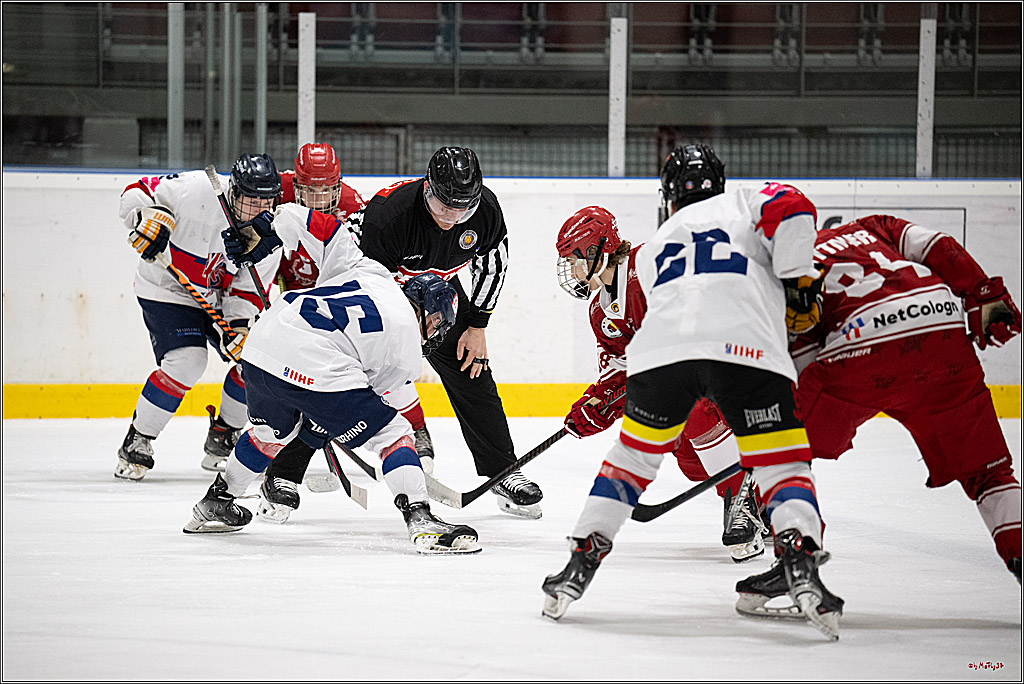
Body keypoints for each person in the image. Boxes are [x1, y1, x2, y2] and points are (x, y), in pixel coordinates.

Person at [542, 143, 843, 641]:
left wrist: (625, 386)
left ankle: (580, 563)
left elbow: (663, 326)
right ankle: (801, 561)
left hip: (670, 360)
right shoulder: (746, 205)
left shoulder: (660, 244)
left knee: (631, 461)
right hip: (745, 349)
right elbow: (793, 206)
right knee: (781, 462)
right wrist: (798, 281)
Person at [181, 244, 482, 555]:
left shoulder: (375, 275)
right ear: (432, 317)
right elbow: (361, 405)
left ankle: (217, 499)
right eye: (438, 324)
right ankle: (421, 518)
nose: (435, 331)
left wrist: (319, 422)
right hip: (314, 359)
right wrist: (320, 427)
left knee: (267, 435)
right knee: (394, 434)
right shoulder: (405, 346)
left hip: (261, 347)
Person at [787, 213, 1021, 583]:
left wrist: (788, 425)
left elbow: (801, 345)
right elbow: (938, 246)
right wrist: (980, 290)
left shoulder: (785, 262)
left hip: (862, 346)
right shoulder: (873, 227)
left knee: (783, 450)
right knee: (987, 471)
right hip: (941, 331)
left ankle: (795, 558)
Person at [554, 205, 770, 562]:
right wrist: (599, 402)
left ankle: (742, 504)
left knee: (696, 409)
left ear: (598, 249)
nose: (571, 270)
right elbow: (619, 368)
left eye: (575, 259)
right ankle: (765, 499)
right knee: (691, 460)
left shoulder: (651, 266)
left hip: (727, 368)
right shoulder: (600, 311)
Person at [344, 146, 544, 518]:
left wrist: (477, 325)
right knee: (342, 372)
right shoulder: (391, 216)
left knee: (472, 368)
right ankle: (284, 471)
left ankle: (502, 470)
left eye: (461, 208)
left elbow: (492, 266)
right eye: (443, 206)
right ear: (427, 191)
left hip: (437, 291)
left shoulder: (485, 210)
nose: (452, 217)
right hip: (373, 291)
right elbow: (367, 286)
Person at [115, 154, 282, 481]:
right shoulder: (192, 191)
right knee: (187, 361)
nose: (257, 210)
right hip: (168, 288)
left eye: (266, 201)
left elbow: (248, 288)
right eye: (250, 200)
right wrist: (149, 217)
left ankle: (223, 437)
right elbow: (135, 192)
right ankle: (139, 438)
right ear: (233, 191)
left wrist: (238, 325)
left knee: (253, 360)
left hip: (219, 298)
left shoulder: (269, 233)